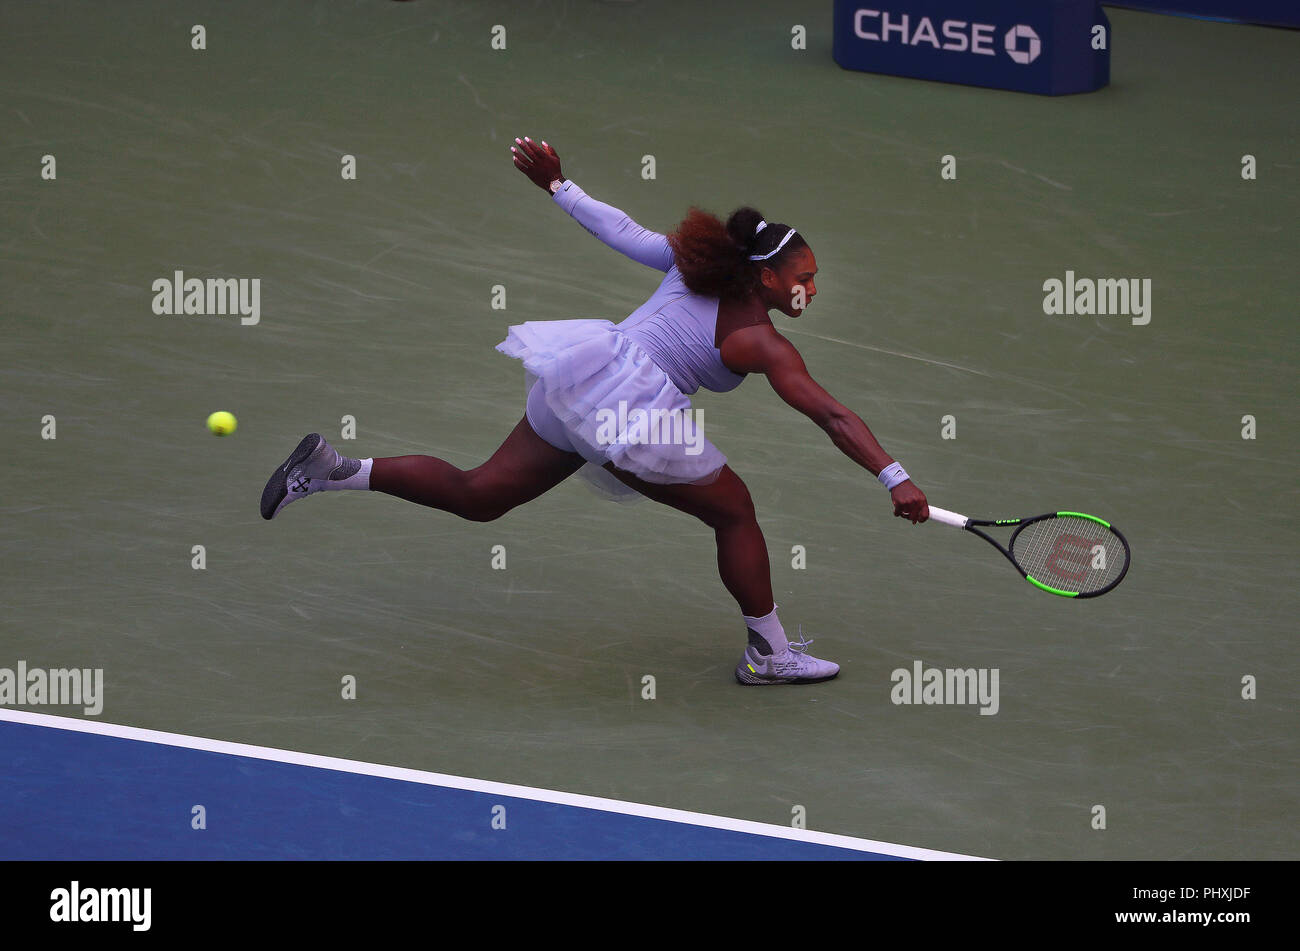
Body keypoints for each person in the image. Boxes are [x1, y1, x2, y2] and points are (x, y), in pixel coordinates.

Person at [261, 136, 929, 686]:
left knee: (481, 493)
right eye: (802, 277)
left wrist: (559, 185)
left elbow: (623, 231)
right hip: (630, 410)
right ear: (765, 279)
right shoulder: (758, 341)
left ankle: (334, 469)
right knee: (737, 511)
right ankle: (769, 654)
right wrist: (893, 475)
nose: (812, 287)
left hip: (578, 375)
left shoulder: (689, 267)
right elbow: (831, 414)